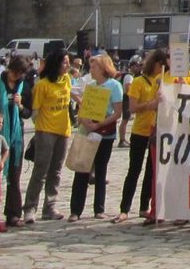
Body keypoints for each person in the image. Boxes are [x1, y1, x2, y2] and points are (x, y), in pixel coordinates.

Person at [68, 54, 123, 221]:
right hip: (87, 131)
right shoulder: (90, 85)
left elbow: (118, 112)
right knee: (81, 170)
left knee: (100, 170)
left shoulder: (114, 86)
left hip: (105, 132)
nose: (91, 70)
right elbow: (82, 107)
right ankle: (75, 210)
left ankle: (99, 208)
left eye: (94, 67)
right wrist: (86, 122)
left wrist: (100, 124)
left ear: (103, 68)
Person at [114, 49, 165, 224]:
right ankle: (124, 208)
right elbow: (133, 108)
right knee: (134, 170)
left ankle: (145, 207)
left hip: (156, 131)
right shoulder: (138, 82)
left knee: (151, 172)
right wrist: (153, 104)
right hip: (140, 131)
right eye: (161, 65)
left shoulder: (164, 81)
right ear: (155, 64)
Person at [23, 48, 73, 224]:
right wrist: (40, 130)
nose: (68, 64)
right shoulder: (42, 85)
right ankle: (30, 207)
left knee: (56, 171)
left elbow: (71, 95)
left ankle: (50, 206)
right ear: (56, 63)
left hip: (64, 130)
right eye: (65, 61)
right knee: (40, 171)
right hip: (46, 131)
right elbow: (35, 112)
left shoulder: (67, 79)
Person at [0, 55, 30, 228]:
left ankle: (13, 213)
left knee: (14, 176)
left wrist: (20, 106)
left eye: (20, 73)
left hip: (15, 138)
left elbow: (27, 113)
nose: (16, 76)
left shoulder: (24, 87)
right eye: (14, 72)